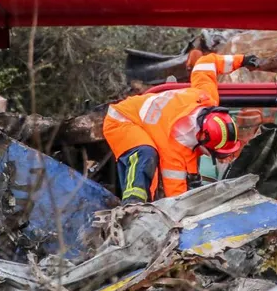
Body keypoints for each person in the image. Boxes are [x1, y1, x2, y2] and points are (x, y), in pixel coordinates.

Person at [104, 52, 261, 203]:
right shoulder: (174, 145)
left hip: (146, 123)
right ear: (202, 137)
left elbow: (205, 64)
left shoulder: (206, 97)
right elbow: (175, 194)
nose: (208, 156)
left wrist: (241, 60)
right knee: (145, 152)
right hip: (121, 119)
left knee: (149, 151)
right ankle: (133, 204)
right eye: (211, 152)